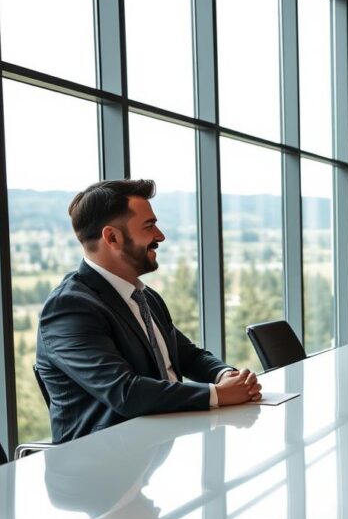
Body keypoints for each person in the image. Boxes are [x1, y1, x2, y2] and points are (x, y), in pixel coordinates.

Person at [36, 179, 262, 443]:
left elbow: (187, 355)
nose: (160, 236)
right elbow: (125, 392)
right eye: (149, 225)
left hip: (159, 443)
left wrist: (226, 375)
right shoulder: (70, 308)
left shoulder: (143, 296)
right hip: (100, 463)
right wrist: (218, 394)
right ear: (112, 237)